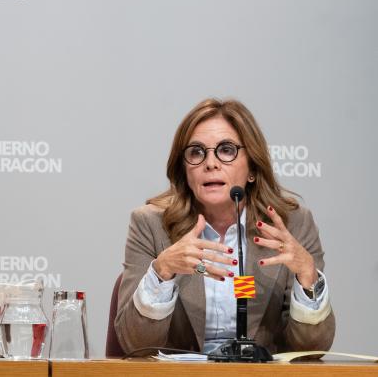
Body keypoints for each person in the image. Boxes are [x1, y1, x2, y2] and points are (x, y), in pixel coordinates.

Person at [115, 98, 334, 355]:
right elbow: (135, 346)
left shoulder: (292, 225)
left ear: (252, 168)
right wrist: (162, 271)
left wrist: (307, 277)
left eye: (226, 150)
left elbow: (312, 349)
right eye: (196, 152)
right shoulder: (151, 225)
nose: (210, 163)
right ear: (185, 170)